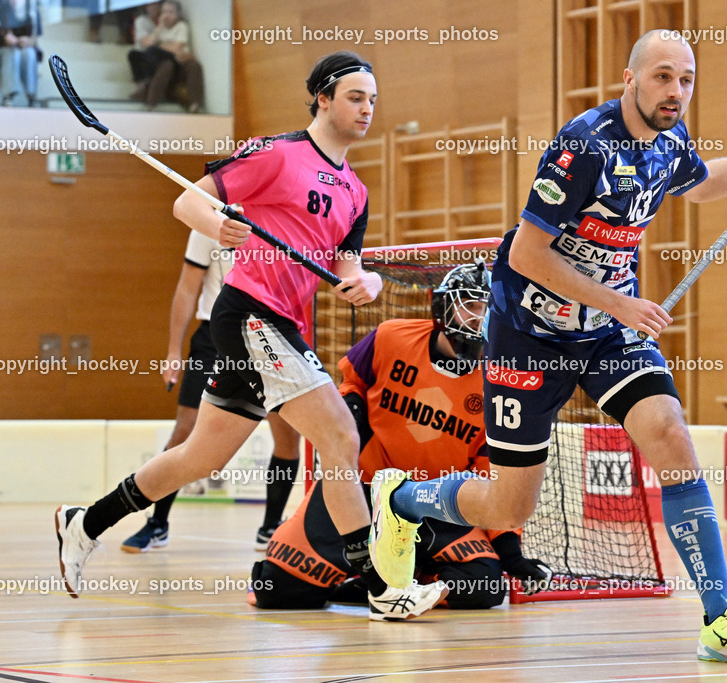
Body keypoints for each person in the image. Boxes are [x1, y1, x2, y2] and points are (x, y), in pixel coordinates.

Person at [369, 30, 727, 664]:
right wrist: (620, 302)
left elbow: (704, 182)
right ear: (630, 78)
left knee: (670, 435)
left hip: (606, 331)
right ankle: (401, 501)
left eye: (686, 79)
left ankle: (720, 619)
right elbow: (527, 254)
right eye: (663, 77)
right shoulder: (583, 145)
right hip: (528, 335)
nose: (675, 91)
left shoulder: (668, 141)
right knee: (509, 506)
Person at [55, 50, 448, 621]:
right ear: (323, 99)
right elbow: (187, 200)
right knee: (340, 434)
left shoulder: (355, 192)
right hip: (249, 314)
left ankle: (84, 522)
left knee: (200, 457)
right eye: (355, 97)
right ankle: (380, 586)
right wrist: (221, 226)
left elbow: (346, 265)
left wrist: (364, 282)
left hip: (285, 322)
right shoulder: (277, 153)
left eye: (372, 100)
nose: (367, 109)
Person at [249, 263, 552, 617]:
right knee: (278, 591)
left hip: (435, 501)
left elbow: (495, 481)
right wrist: (351, 423)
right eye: (471, 305)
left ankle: (395, 584)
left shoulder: (501, 383)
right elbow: (351, 385)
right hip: (362, 489)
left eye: (489, 309)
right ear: (443, 307)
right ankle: (375, 575)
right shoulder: (390, 337)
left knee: (484, 586)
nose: (480, 317)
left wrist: (512, 555)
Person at [120, 229, 302, 554]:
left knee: (288, 434)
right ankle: (158, 523)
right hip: (215, 335)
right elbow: (187, 288)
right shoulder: (208, 219)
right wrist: (173, 351)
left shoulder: (283, 220)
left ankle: (270, 527)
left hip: (271, 334)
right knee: (185, 431)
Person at [126, 0, 203, 112]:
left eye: (171, 12)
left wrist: (162, 45)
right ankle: (151, 103)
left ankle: (195, 105)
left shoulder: (181, 26)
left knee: (194, 65)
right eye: (164, 12)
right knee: (167, 65)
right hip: (165, 68)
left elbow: (178, 47)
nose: (167, 15)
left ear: (178, 15)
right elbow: (152, 45)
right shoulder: (159, 30)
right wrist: (161, 32)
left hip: (180, 65)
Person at [0, 0, 41, 107]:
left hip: (24, 48)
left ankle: (31, 95)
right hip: (3, 49)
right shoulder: (1, 4)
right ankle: (8, 96)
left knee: (30, 54)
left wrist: (26, 41)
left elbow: (34, 37)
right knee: (13, 53)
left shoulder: (31, 7)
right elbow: (3, 35)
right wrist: (14, 41)